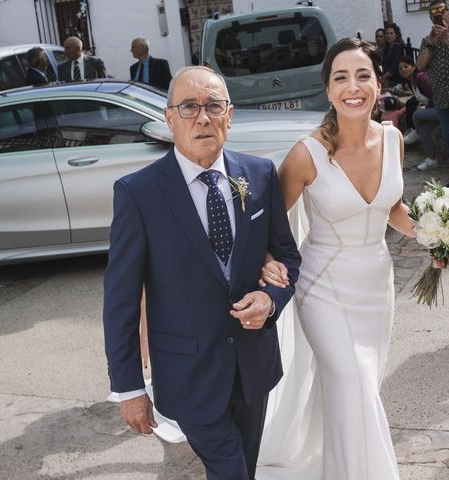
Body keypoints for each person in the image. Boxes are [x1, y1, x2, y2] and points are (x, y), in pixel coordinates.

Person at [103, 66, 301, 479]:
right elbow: (120, 299)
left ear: (230, 115)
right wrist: (130, 389)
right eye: (189, 107)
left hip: (252, 365)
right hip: (187, 376)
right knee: (232, 471)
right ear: (169, 118)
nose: (203, 117)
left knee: (243, 465)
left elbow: (287, 256)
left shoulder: (260, 174)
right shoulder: (137, 193)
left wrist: (271, 299)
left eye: (214, 105)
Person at [256, 38, 418, 480]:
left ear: (378, 83)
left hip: (375, 285)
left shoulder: (393, 139)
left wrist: (438, 235)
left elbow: (392, 209)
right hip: (324, 289)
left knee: (360, 389)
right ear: (327, 90)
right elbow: (270, 224)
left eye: (363, 75)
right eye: (340, 77)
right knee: (353, 381)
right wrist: (267, 267)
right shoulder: (306, 154)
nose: (353, 86)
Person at [416, 0, 449, 187]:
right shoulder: (426, 40)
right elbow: (420, 66)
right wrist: (431, 44)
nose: (439, 15)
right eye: (434, 13)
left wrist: (447, 36)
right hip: (441, 96)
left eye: (442, 11)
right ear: (431, 17)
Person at [395, 56, 440, 171]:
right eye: (400, 69)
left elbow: (436, 96)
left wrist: (428, 111)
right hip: (435, 110)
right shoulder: (412, 82)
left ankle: (415, 132)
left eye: (406, 66)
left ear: (414, 66)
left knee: (417, 115)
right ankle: (432, 159)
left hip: (443, 109)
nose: (403, 70)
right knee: (424, 130)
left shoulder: (421, 78)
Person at [381, 22, 406, 88]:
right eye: (387, 33)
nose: (389, 35)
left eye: (391, 33)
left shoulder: (398, 47)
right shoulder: (386, 48)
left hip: (396, 79)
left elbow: (395, 67)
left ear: (396, 35)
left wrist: (384, 77)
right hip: (387, 77)